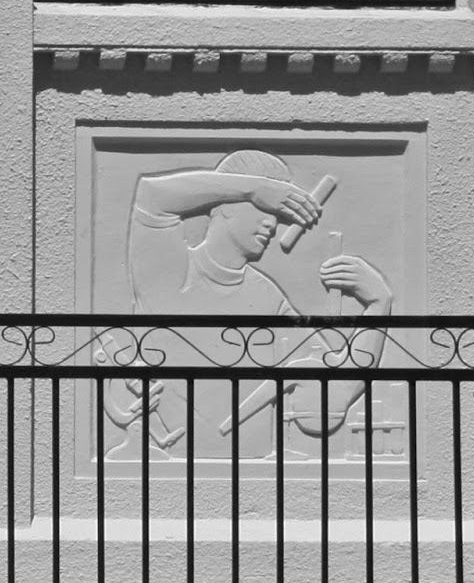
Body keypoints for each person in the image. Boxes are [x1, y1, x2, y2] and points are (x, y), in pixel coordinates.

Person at [106, 150, 393, 456]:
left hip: (260, 477)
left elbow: (335, 391)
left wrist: (378, 304)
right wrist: (254, 188)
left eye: (279, 215)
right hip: (166, 466)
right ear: (224, 206)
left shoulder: (266, 296)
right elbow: (153, 196)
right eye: (264, 208)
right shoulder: (169, 272)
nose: (273, 224)